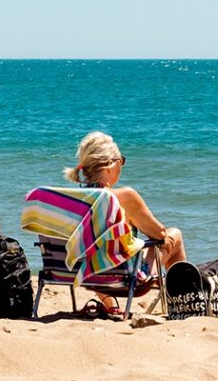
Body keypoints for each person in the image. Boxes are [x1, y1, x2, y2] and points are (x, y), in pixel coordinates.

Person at [63, 131, 186, 313]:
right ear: (109, 166)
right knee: (174, 235)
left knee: (96, 251)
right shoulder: (125, 197)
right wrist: (159, 236)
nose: (122, 166)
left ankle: (111, 305)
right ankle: (183, 299)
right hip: (127, 278)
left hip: (85, 275)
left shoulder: (71, 199)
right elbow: (159, 234)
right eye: (121, 160)